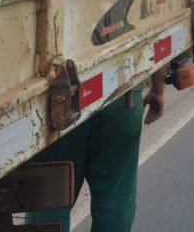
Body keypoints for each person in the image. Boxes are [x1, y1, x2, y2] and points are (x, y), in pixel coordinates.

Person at [24, 68, 167, 232]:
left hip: (56, 104)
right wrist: (158, 90)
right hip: (121, 93)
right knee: (115, 199)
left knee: (49, 206)